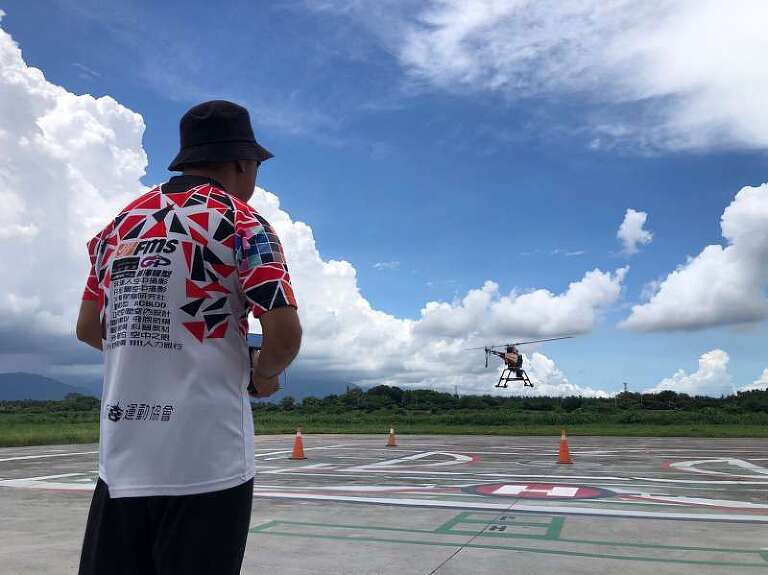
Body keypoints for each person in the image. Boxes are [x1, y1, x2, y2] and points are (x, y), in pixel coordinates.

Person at [75, 100, 302, 575]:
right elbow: (283, 336)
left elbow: (88, 328)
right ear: (242, 163)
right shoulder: (243, 222)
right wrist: (260, 375)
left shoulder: (116, 229)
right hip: (208, 462)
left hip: (122, 460)